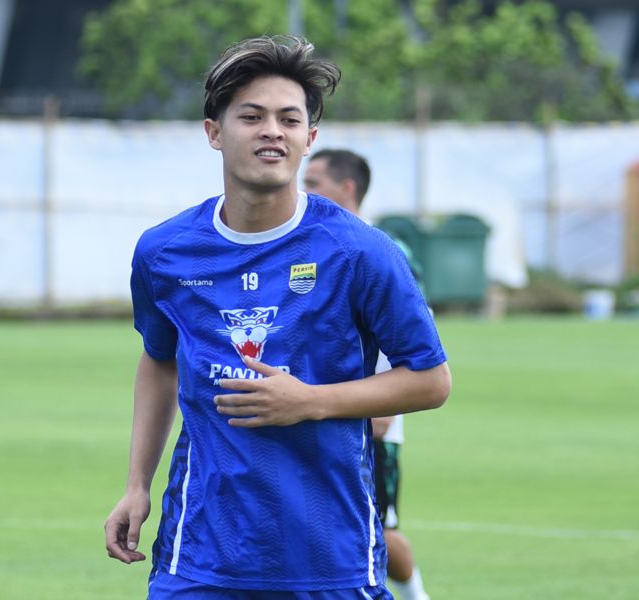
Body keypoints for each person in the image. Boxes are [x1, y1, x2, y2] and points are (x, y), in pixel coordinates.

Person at [103, 35, 451, 599]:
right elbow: (159, 360)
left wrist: (310, 401)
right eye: (252, 117)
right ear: (214, 132)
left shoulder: (361, 252)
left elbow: (432, 380)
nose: (272, 131)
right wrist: (136, 484)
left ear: (309, 138)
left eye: (289, 119)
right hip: (199, 556)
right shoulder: (164, 252)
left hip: (330, 557)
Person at [304, 149, 431, 600]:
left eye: (313, 182)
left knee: (380, 530)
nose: (304, 191)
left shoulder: (384, 250)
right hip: (319, 411)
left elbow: (411, 334)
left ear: (347, 187)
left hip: (372, 414)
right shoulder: (310, 243)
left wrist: (387, 409)